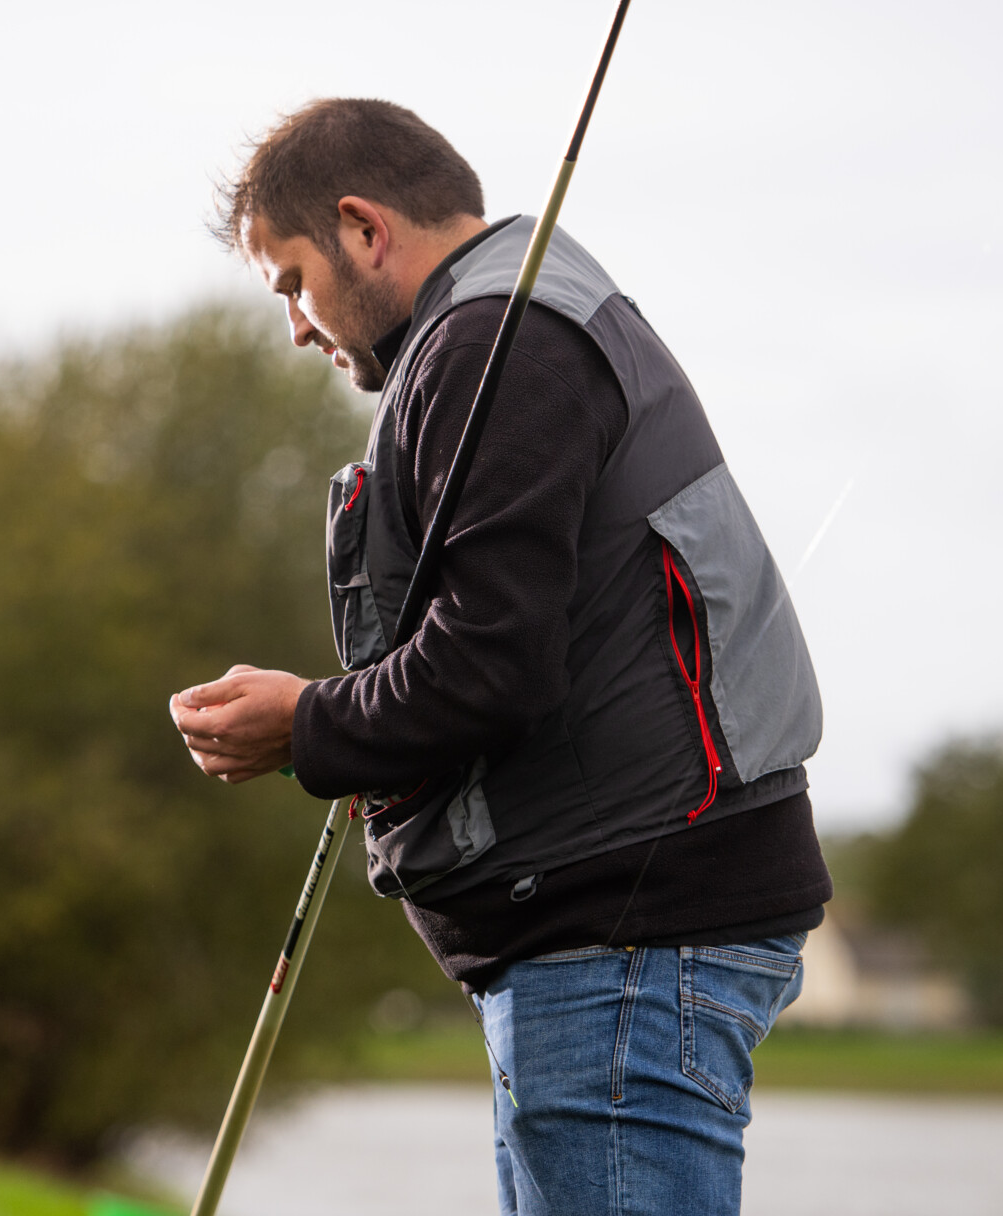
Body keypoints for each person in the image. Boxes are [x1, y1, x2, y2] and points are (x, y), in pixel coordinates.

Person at [169, 99, 831, 1215]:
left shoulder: (494, 340)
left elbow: (489, 663)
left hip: (623, 932)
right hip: (608, 930)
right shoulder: (503, 324)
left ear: (362, 228)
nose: (296, 323)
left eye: (291, 281)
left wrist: (311, 722)